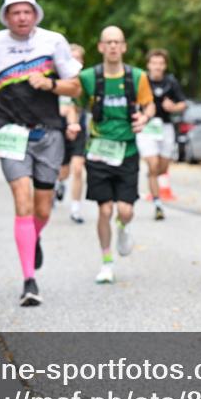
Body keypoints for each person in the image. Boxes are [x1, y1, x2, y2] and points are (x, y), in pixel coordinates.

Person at [0, 0, 82, 307]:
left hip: (48, 133)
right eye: (15, 12)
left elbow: (75, 86)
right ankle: (29, 281)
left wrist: (50, 84)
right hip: (10, 132)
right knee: (22, 202)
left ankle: (34, 236)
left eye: (27, 12)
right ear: (6, 16)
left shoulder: (54, 41)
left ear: (36, 14)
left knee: (42, 210)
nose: (21, 17)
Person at [78, 26, 155, 284]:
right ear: (101, 47)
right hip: (98, 151)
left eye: (117, 42)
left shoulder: (137, 76)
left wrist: (144, 117)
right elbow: (73, 104)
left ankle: (123, 227)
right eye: (108, 42)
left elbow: (149, 105)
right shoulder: (88, 77)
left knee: (125, 211)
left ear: (124, 47)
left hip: (127, 151)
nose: (113, 46)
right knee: (104, 210)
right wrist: (70, 122)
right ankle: (106, 262)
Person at [136, 48, 187, 220]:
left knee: (162, 168)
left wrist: (173, 107)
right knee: (153, 164)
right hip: (147, 128)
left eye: (160, 63)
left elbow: (183, 104)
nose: (157, 67)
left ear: (164, 66)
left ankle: (152, 177)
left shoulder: (171, 82)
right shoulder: (141, 81)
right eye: (154, 63)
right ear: (148, 65)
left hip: (165, 127)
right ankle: (158, 204)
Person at [55, 43, 89, 223]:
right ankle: (59, 184)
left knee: (78, 169)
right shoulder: (57, 78)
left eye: (78, 58)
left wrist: (74, 123)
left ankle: (75, 208)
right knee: (63, 171)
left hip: (79, 129)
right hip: (58, 129)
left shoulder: (86, 81)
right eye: (72, 58)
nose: (75, 62)